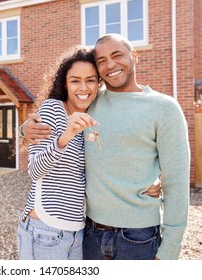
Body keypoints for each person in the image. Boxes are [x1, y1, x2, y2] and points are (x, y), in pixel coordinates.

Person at [21, 33, 190, 260]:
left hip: (138, 237)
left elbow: (176, 181)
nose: (110, 64)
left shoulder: (164, 108)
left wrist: (170, 249)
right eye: (101, 60)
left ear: (134, 56)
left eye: (117, 55)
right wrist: (23, 129)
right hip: (89, 233)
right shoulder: (90, 101)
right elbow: (55, 116)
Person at [17, 46, 100, 260]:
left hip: (78, 230)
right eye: (75, 80)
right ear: (65, 83)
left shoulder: (94, 114)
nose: (83, 87)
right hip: (45, 228)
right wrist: (65, 137)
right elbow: (34, 170)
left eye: (90, 80)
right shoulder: (53, 109)